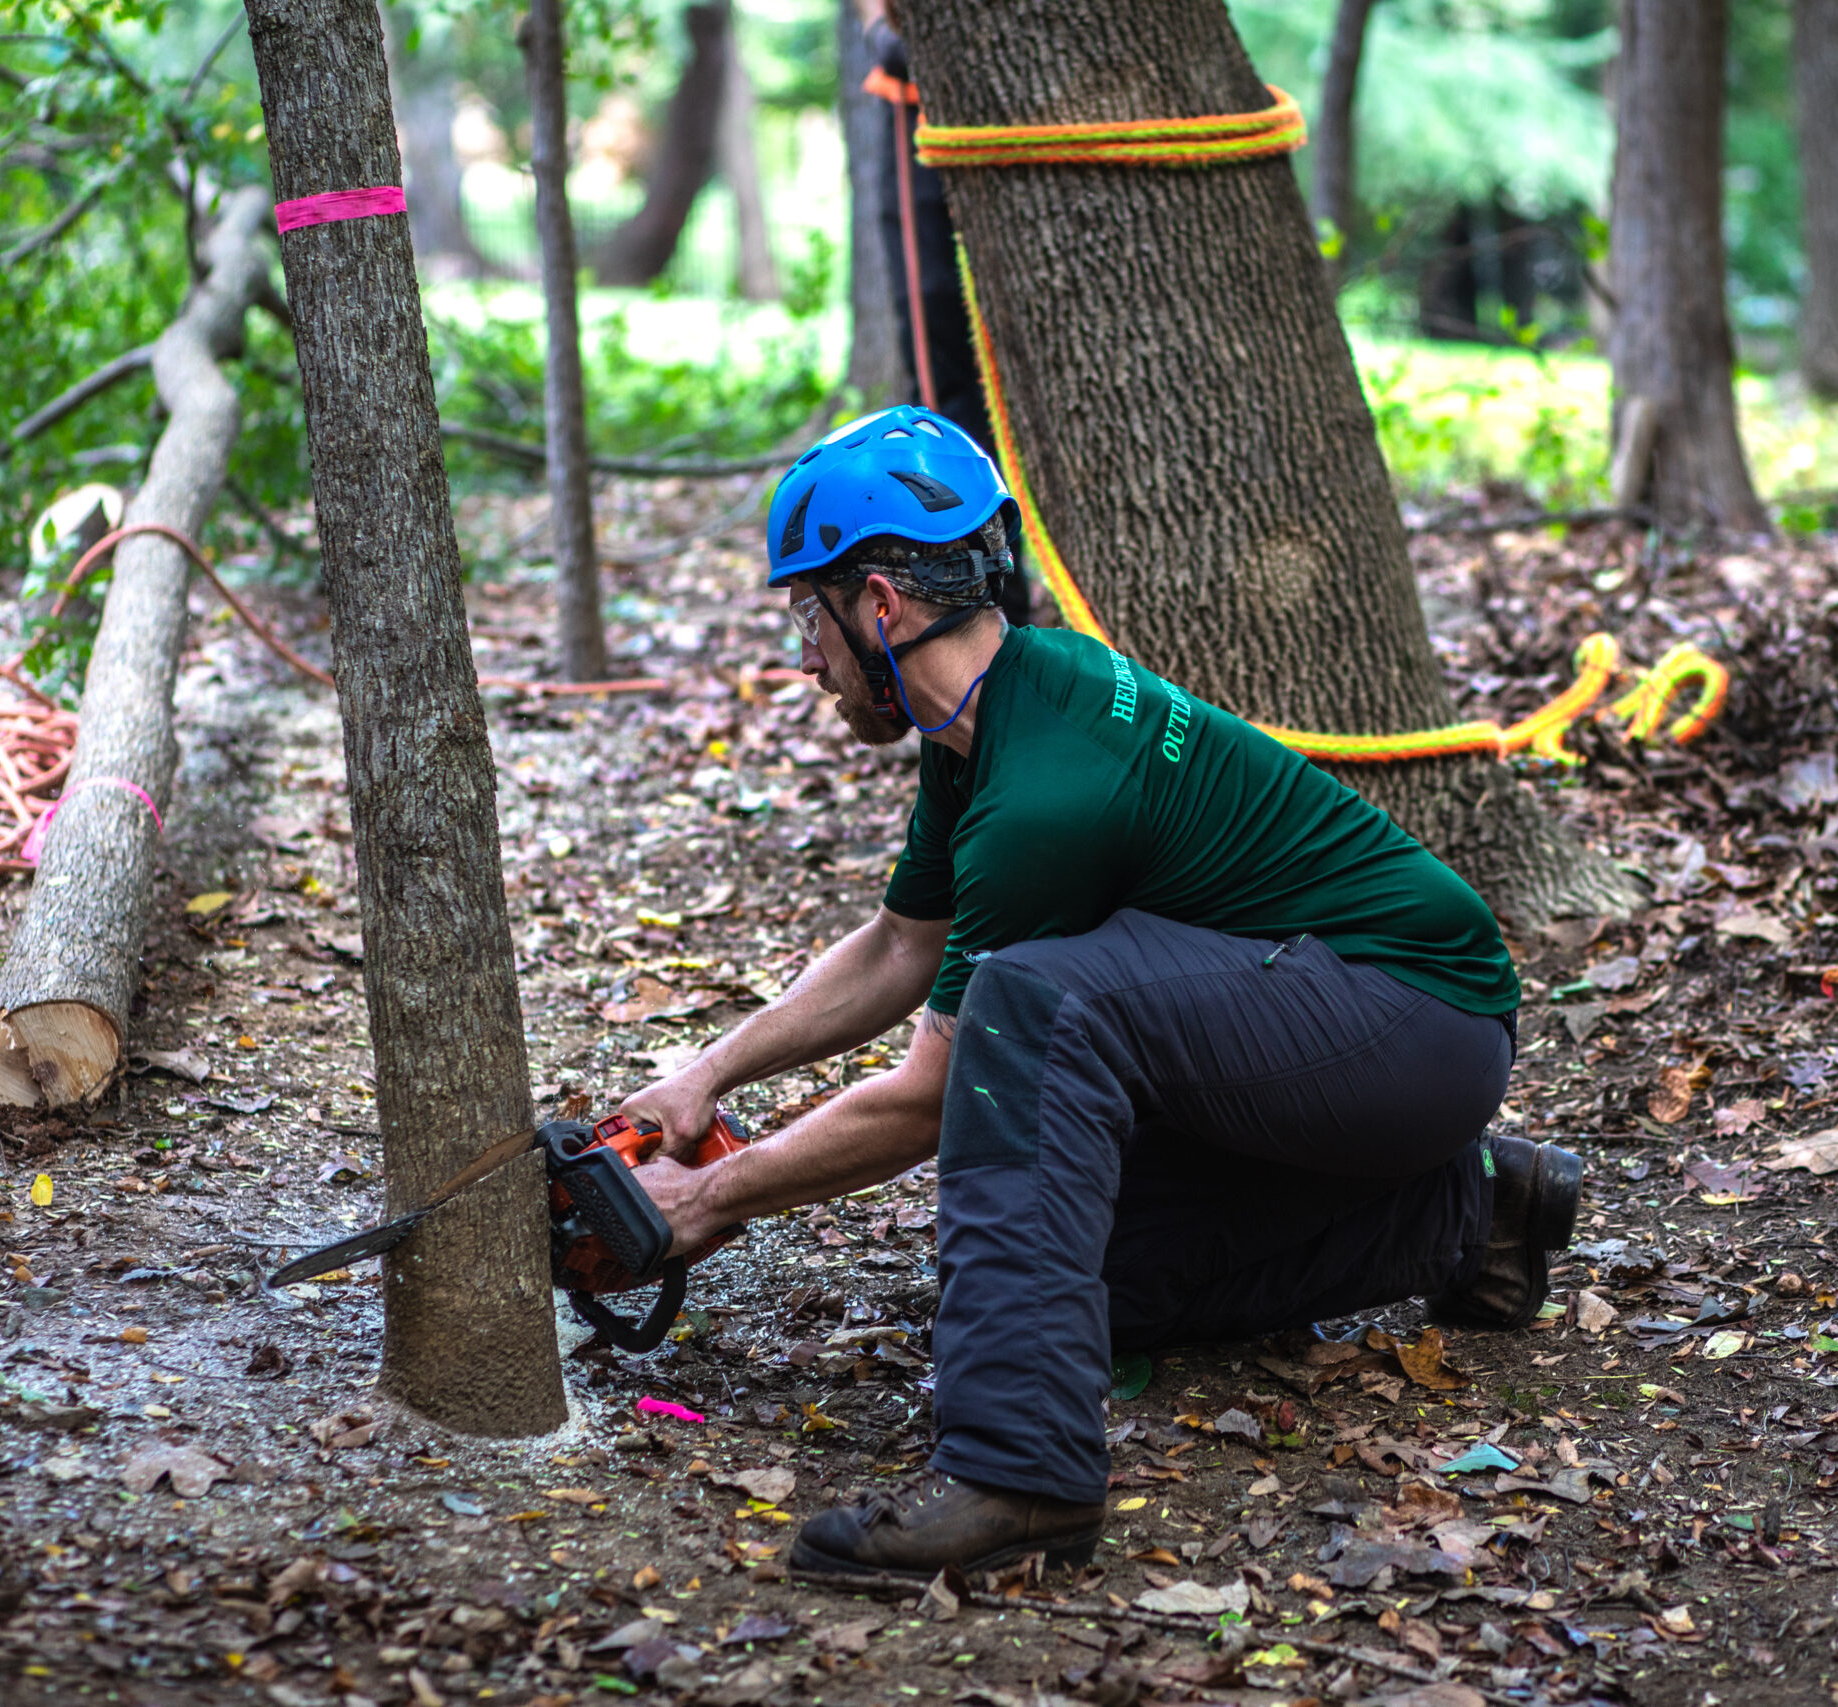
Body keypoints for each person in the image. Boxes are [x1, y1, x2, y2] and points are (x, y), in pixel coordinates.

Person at [620, 406, 1578, 1583]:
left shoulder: (1045, 794)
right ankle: (1474, 1215)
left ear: (879, 607)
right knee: (1073, 1280)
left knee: (1031, 1005)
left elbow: (934, 1093)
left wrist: (711, 1198)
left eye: (804, 616)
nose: (802, 656)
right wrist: (703, 1078)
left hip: (1409, 1017)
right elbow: (898, 947)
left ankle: (1019, 1476)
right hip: (1352, 1030)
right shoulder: (990, 707)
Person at [853, 0, 1032, 630]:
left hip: (1022, 101)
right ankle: (991, 610)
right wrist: (880, 28)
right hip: (917, 103)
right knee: (943, 374)